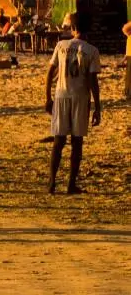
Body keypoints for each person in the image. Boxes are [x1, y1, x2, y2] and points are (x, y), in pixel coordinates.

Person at [46, 15, 101, 195]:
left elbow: (49, 72)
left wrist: (47, 97)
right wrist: (97, 106)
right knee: (77, 143)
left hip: (61, 95)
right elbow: (93, 80)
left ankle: (52, 182)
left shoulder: (61, 46)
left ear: (73, 28)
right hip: (80, 98)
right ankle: (71, 184)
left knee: (58, 141)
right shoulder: (92, 51)